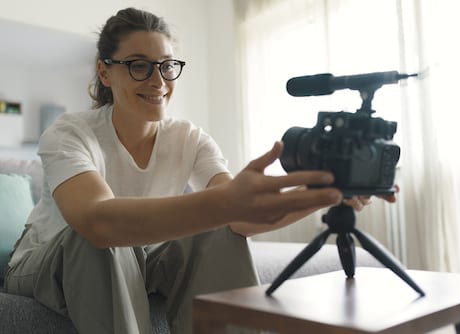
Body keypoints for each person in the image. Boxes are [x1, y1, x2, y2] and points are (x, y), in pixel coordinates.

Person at [4, 7, 395, 334]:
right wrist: (225, 203)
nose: (158, 81)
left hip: (140, 254)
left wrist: (326, 194)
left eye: (167, 66)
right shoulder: (70, 132)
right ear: (105, 73)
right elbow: (97, 223)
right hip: (45, 260)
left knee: (218, 230)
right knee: (104, 240)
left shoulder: (189, 137)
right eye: (139, 66)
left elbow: (237, 219)